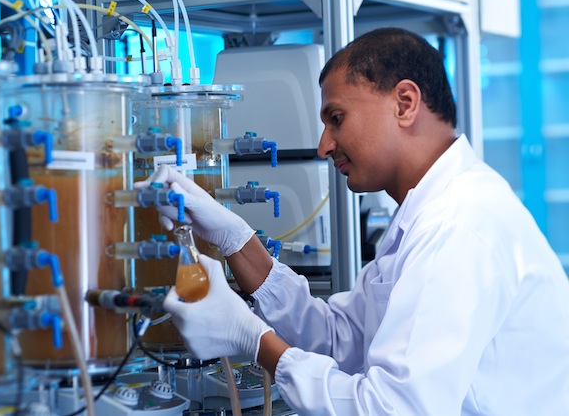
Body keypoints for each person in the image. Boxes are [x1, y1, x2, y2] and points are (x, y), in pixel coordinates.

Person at [137, 28, 569, 415]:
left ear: (405, 103)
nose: (324, 146)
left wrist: (253, 341)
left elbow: (393, 409)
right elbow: (341, 340)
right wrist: (236, 239)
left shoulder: (459, 226)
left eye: (336, 119)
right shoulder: (424, 213)